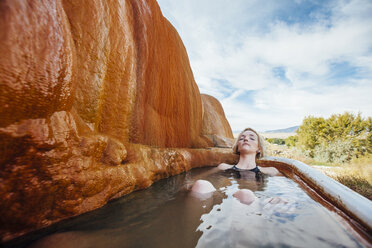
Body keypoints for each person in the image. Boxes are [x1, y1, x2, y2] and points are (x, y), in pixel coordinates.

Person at [191, 127, 281, 205]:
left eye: (252, 138)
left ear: (259, 149)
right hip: (225, 201)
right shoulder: (223, 167)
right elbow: (194, 180)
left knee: (245, 194)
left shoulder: (270, 171)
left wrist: (276, 199)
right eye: (241, 138)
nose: (245, 139)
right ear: (237, 146)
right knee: (201, 184)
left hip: (255, 204)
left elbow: (288, 192)